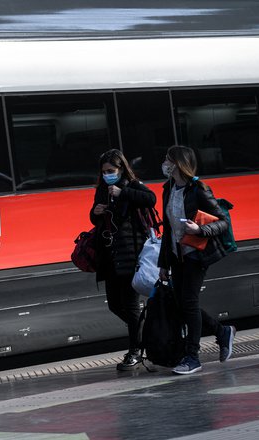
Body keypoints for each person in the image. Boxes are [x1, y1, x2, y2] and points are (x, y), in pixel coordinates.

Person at [157, 145, 236, 375]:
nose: (164, 163)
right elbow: (168, 230)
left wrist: (200, 230)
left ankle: (192, 356)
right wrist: (163, 263)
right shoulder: (168, 188)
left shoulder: (199, 189)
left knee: (188, 303)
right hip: (176, 255)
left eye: (167, 159)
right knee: (182, 305)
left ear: (178, 163)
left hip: (196, 255)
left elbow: (223, 222)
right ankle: (222, 332)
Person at [90, 149, 157, 371]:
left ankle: (135, 351)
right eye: (104, 172)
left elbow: (150, 198)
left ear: (121, 169)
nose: (107, 175)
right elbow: (94, 218)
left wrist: (123, 192)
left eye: (111, 171)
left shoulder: (132, 185)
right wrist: (96, 211)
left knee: (130, 306)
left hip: (131, 256)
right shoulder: (102, 190)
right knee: (114, 305)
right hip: (110, 257)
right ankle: (148, 335)